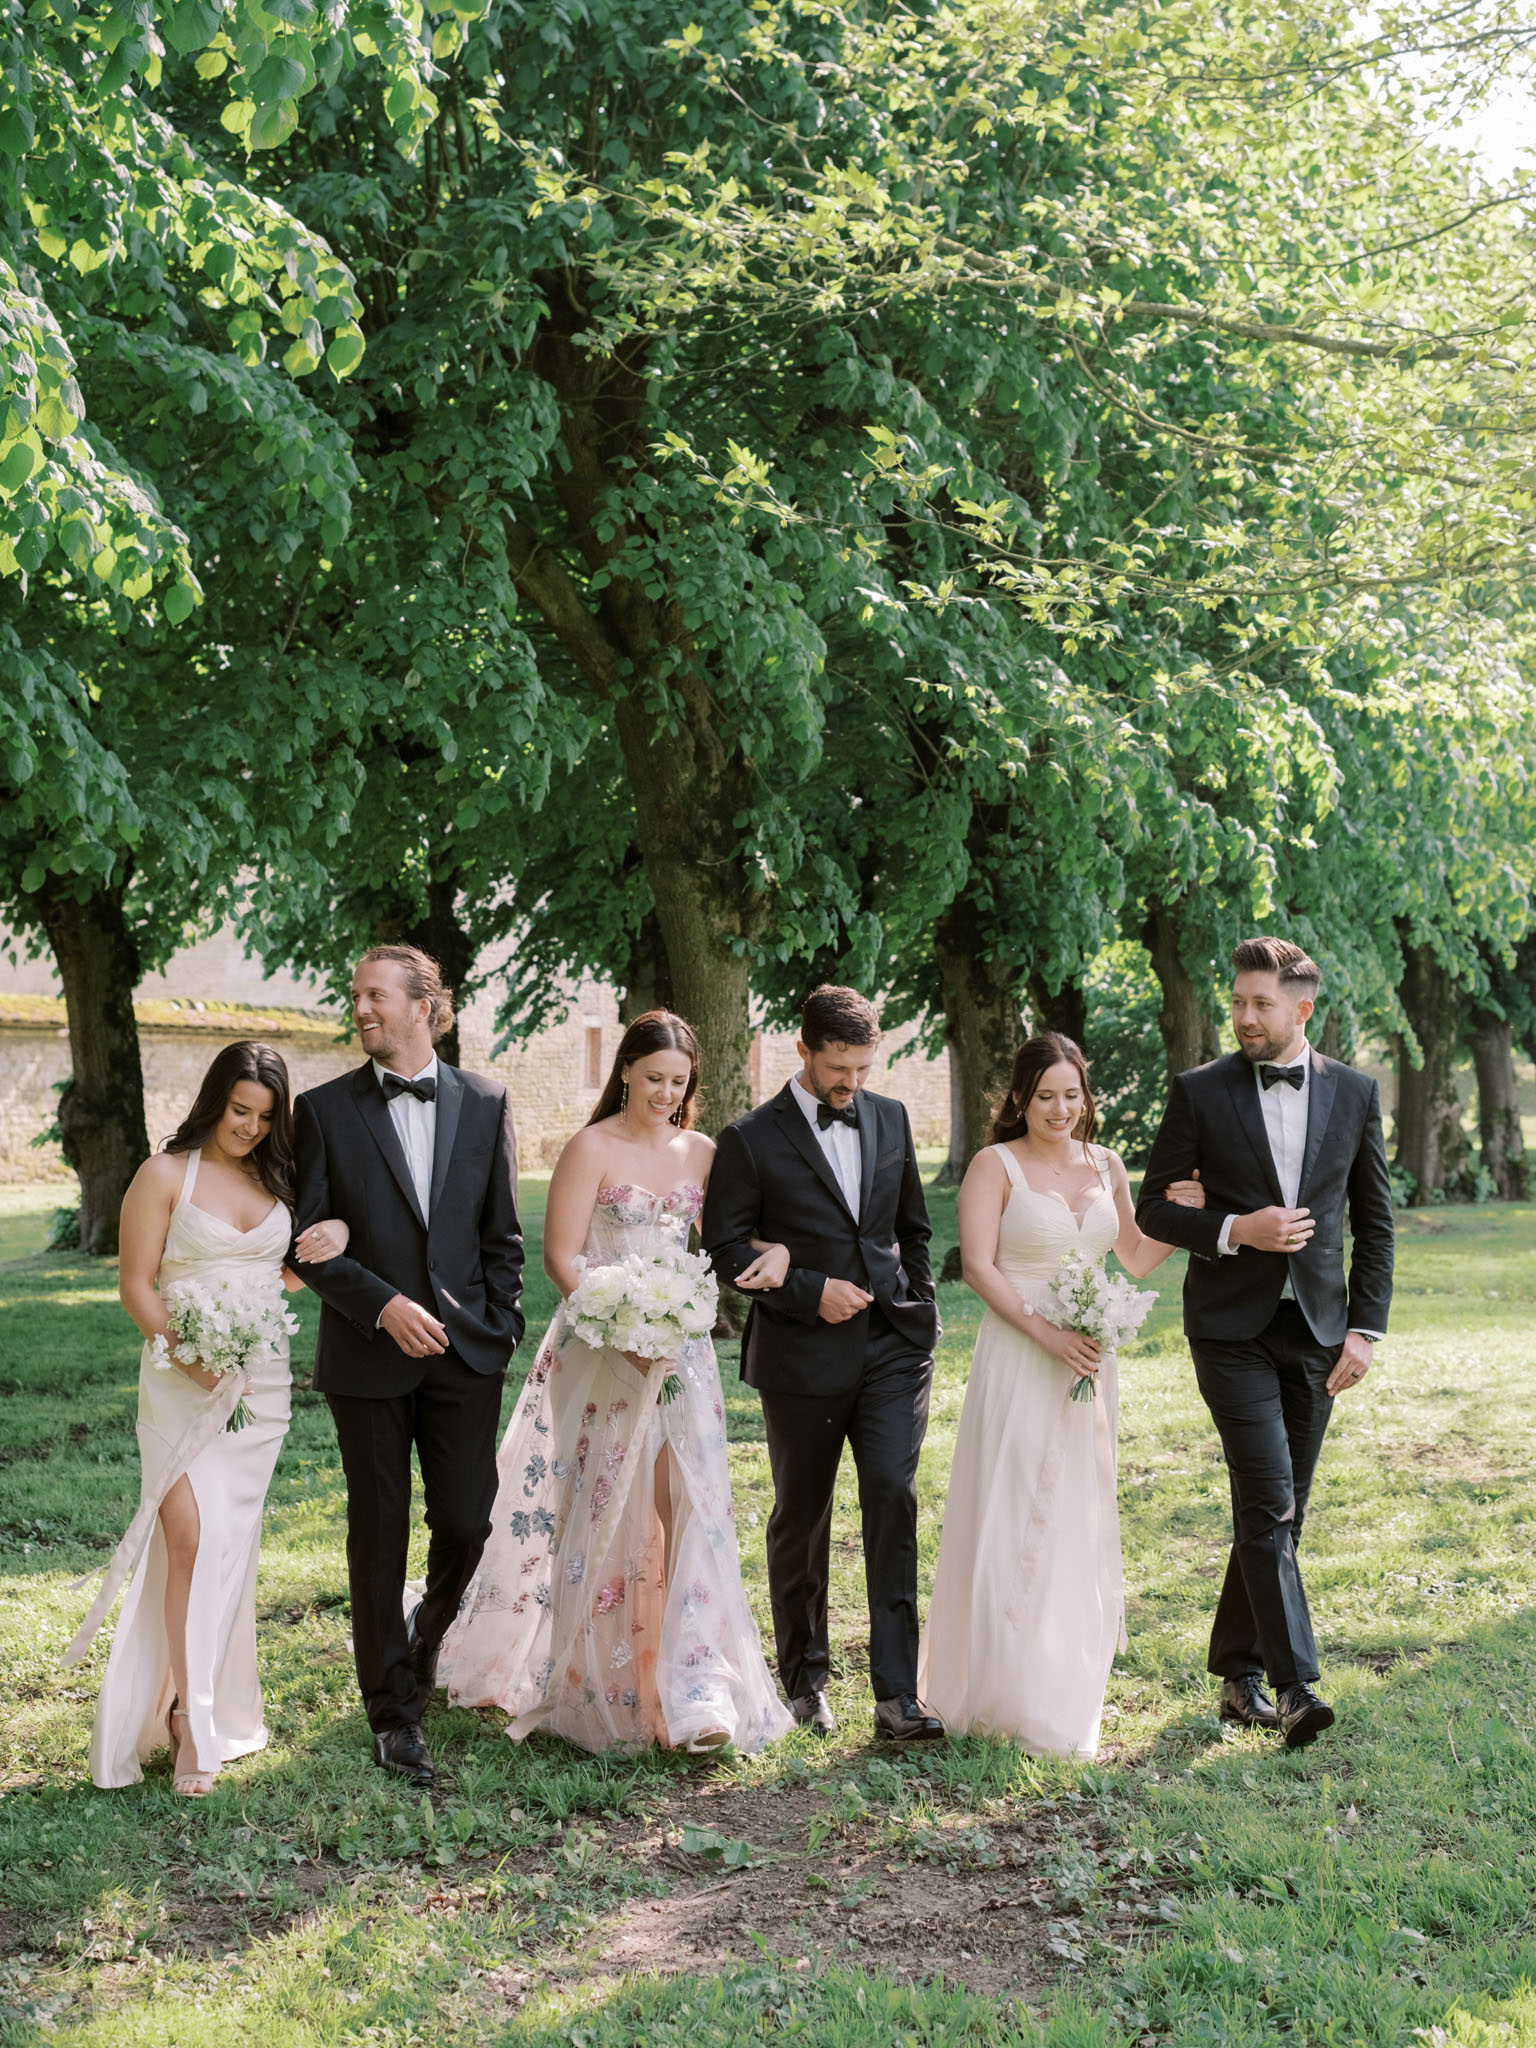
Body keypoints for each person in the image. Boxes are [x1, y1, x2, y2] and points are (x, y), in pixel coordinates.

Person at [439, 1011, 793, 1754]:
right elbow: (562, 1259)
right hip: (600, 1348)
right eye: (654, 1077)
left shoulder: (702, 1152)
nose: (666, 1092)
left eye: (679, 1081)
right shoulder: (590, 1147)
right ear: (625, 1068)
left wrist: (778, 1254)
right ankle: (604, 1682)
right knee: (609, 1510)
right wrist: (619, 1329)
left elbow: (729, 1241)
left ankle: (689, 1687)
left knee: (681, 1506)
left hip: (680, 1358)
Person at [68, 1041, 347, 1795]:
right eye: (239, 1111)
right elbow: (136, 1284)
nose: (251, 1128)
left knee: (224, 1547)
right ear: (214, 1100)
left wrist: (338, 1236)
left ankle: (202, 1701)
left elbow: (284, 1273)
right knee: (186, 1535)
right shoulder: (164, 1175)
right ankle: (190, 1717)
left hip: (259, 1389)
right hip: (178, 1377)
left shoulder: (277, 1180)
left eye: (264, 1116)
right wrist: (187, 1354)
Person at [1136, 936, 1394, 1749]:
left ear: (1302, 1010)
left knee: (1284, 1509)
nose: (1244, 1017)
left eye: (1261, 1005)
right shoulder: (1200, 1092)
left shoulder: (1355, 1093)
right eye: (1238, 1003)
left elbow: (1375, 1220)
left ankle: (1238, 1673)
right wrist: (1234, 1228)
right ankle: (1294, 1687)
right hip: (1229, 1331)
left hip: (1318, 1332)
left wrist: (1366, 1327)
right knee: (1269, 1493)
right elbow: (1153, 1210)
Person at [917, 1034, 1203, 1756]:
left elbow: (1134, 1256)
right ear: (1019, 1097)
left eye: (1071, 1094)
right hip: (1022, 1350)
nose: (1060, 1108)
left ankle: (1058, 1687)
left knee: (1076, 1510)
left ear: (1086, 1097)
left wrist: (1186, 1213)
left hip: (1089, 1361)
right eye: (1045, 1095)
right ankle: (998, 1688)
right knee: (1011, 1506)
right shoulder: (996, 1164)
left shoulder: (1105, 1164)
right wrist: (1046, 1334)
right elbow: (979, 1268)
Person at [289, 946, 525, 1789]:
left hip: (467, 1355)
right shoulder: (319, 1111)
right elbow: (306, 1244)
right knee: (379, 1533)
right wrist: (380, 1304)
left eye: (376, 996)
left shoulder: (487, 1101)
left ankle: (424, 1646)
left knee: (466, 1523)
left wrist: (498, 1325)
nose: (360, 1008)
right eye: (354, 995)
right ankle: (393, 1715)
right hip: (366, 1357)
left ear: (426, 1005)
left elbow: (502, 1235)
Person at [701, 985, 942, 1744]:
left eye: (863, 1068)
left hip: (892, 1348)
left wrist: (919, 1308)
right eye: (839, 1067)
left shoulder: (893, 1117)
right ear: (801, 1050)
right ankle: (804, 1680)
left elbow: (912, 1227)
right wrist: (809, 1292)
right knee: (801, 1517)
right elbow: (726, 1251)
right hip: (800, 1356)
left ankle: (897, 1695)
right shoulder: (748, 1139)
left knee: (893, 1496)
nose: (852, 1083)